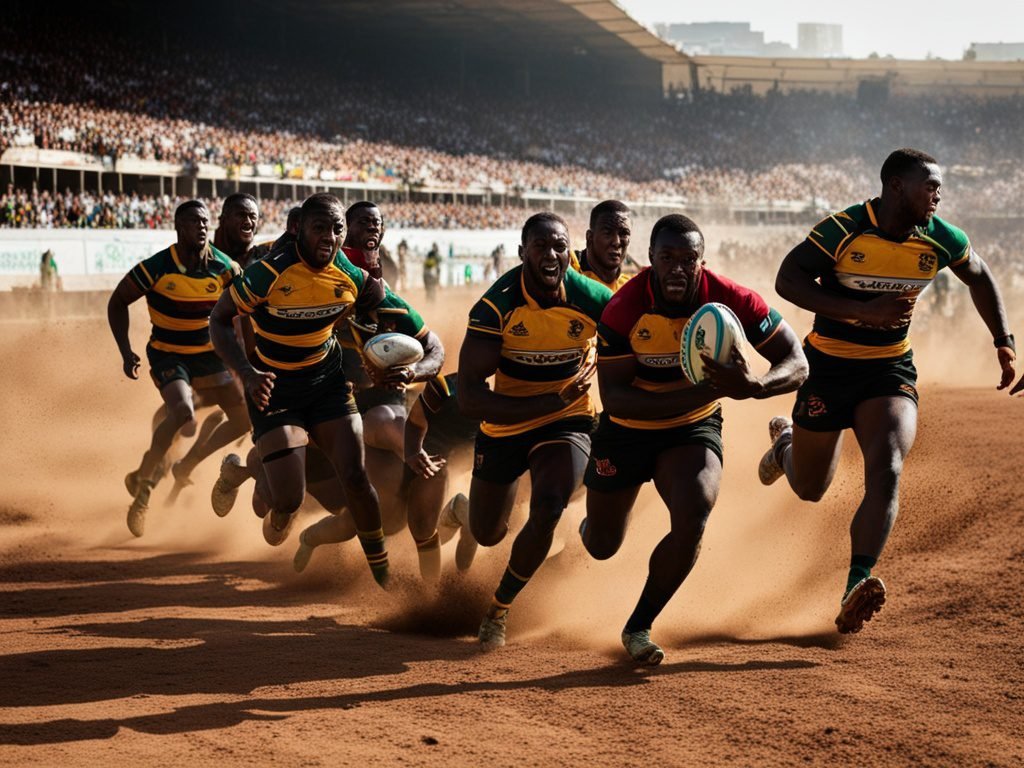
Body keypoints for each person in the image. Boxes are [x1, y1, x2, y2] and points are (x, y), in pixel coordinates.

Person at [759, 148, 1017, 634]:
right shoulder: (844, 228)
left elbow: (979, 276)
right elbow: (787, 279)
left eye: (940, 186)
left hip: (889, 371)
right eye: (930, 185)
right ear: (896, 186)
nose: (938, 194)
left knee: (889, 467)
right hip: (827, 368)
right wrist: (860, 312)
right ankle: (786, 444)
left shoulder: (940, 238)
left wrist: (1003, 342)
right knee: (811, 488)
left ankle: (857, 581)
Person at [578, 214, 808, 665]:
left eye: (689, 259)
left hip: (691, 428)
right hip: (627, 431)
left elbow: (798, 362)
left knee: (695, 514)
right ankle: (589, 525)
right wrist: (710, 388)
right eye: (668, 258)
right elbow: (618, 400)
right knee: (602, 546)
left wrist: (758, 386)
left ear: (703, 261)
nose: (678, 269)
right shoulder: (623, 308)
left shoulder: (732, 298)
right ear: (650, 260)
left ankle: (639, 625)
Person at [208, 192, 392, 587]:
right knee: (282, 497)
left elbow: (388, 319)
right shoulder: (271, 262)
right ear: (300, 230)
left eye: (375, 225)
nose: (369, 231)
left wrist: (395, 354)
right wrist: (250, 370)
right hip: (279, 384)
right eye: (362, 224)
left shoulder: (366, 272)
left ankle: (379, 572)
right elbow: (236, 317)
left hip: (336, 384)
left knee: (351, 484)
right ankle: (243, 474)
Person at [458, 212, 612, 650]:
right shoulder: (495, 306)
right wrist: (547, 402)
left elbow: (634, 342)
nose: (550, 255)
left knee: (549, 506)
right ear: (522, 251)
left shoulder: (593, 298)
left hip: (569, 420)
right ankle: (462, 511)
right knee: (488, 532)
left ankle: (498, 609)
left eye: (559, 246)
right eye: (540, 246)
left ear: (570, 253)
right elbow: (469, 398)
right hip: (505, 421)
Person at [107, 200, 249, 536]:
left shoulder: (226, 267)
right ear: (178, 227)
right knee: (184, 413)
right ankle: (144, 485)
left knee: (245, 417)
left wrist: (244, 362)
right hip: (168, 355)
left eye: (204, 221)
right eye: (193, 221)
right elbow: (117, 301)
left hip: (212, 358)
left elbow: (244, 314)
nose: (201, 226)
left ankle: (182, 464)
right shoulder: (156, 267)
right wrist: (126, 351)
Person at [291, 371, 480, 581]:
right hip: (409, 453)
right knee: (373, 526)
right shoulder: (378, 412)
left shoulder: (387, 409)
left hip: (421, 455)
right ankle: (309, 538)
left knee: (416, 529)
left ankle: (431, 595)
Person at [571, 200, 634, 292]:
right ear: (590, 238)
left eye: (624, 234)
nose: (616, 242)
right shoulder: (567, 271)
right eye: (607, 233)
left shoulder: (631, 288)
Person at [212, 193, 271, 268]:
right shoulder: (206, 258)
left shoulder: (265, 257)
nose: (248, 222)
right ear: (223, 220)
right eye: (241, 215)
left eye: (253, 217)